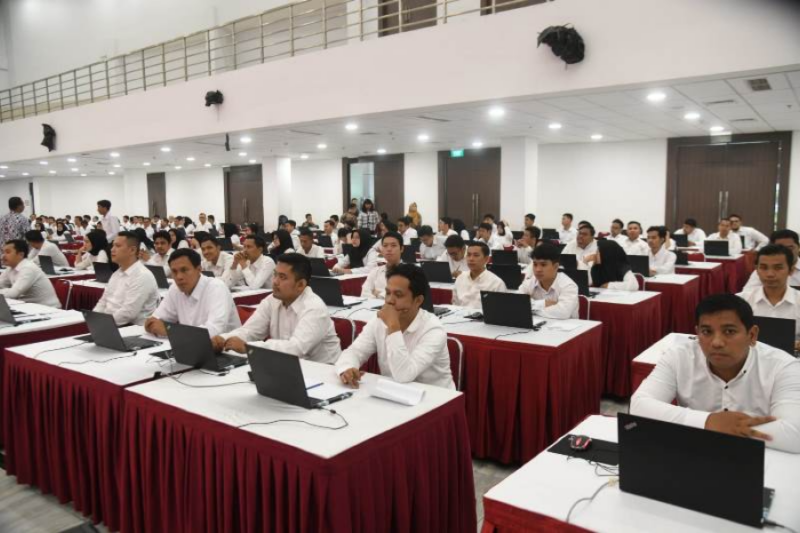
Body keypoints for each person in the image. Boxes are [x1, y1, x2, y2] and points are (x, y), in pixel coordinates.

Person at [631, 294, 800, 454]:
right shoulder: (679, 357)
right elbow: (639, 406)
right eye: (707, 332)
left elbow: (794, 432)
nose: (717, 342)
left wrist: (726, 427)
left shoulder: (783, 366)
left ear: (752, 334)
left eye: (729, 331)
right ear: (697, 332)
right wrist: (708, 421)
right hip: (694, 453)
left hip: (759, 457)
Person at [336, 263, 454, 389]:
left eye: (398, 295)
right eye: (387, 293)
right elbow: (354, 352)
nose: (389, 301)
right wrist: (347, 368)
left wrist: (393, 326)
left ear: (418, 300)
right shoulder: (379, 321)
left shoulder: (433, 329)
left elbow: (404, 375)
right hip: (393, 391)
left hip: (436, 398)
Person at [212, 253, 341, 363]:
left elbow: (296, 349)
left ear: (301, 284)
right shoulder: (271, 301)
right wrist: (223, 339)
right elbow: (250, 331)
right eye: (275, 275)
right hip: (285, 367)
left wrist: (248, 347)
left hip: (322, 374)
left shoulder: (314, 308)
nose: (275, 281)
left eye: (282, 277)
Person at [144, 249, 241, 338]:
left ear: (199, 269)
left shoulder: (216, 288)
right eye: (174, 271)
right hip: (188, 345)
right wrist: (154, 325)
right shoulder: (175, 288)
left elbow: (214, 330)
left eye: (184, 270)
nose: (179, 277)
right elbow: (155, 320)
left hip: (225, 350)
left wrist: (170, 331)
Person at [738, 245, 800, 347]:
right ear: (756, 270)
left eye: (778, 268)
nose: (770, 274)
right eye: (763, 268)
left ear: (791, 270)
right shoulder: (741, 301)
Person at [94, 232, 160, 325]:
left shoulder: (142, 276)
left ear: (132, 250)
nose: (112, 250)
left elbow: (128, 314)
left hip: (131, 328)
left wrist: (102, 323)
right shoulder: (116, 274)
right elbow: (103, 302)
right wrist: (94, 319)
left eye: (117, 246)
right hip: (111, 323)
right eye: (113, 246)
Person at [518, 243, 579, 319]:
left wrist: (530, 308)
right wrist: (544, 303)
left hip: (566, 328)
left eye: (543, 265)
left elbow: (563, 312)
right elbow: (517, 303)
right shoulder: (530, 282)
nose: (538, 269)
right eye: (535, 264)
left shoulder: (568, 285)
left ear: (556, 266)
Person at [0, 239, 61, 307]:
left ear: (21, 254)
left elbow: (13, 294)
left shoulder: (28, 268)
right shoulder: (10, 268)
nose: (3, 256)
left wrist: (5, 291)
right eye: (3, 252)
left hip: (48, 310)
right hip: (29, 307)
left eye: (7, 252)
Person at [452, 241, 506, 309]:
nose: (471, 259)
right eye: (468, 255)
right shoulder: (460, 278)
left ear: (486, 259)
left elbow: (500, 310)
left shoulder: (496, 283)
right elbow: (455, 305)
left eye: (476, 255)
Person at [361, 231, 403, 299]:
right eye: (385, 246)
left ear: (401, 249)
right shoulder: (375, 271)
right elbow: (364, 293)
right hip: (374, 308)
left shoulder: (410, 272)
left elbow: (399, 295)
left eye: (393, 245)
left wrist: (378, 294)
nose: (389, 249)